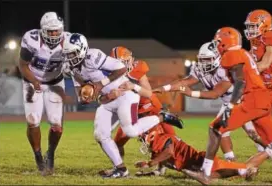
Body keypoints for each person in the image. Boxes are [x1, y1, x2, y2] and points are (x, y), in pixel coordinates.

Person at [62, 33, 183, 178]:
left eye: (73, 53)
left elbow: (121, 69)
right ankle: (120, 169)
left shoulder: (93, 56)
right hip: (108, 101)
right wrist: (87, 96)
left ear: (82, 49)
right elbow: (81, 96)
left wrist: (100, 85)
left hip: (125, 96)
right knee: (100, 134)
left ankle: (162, 117)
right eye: (68, 54)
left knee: (131, 131)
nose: (71, 58)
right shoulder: (73, 69)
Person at [184, 27, 272, 185]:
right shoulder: (242, 53)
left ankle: (205, 173)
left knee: (215, 128)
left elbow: (240, 82)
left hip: (252, 99)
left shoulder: (230, 55)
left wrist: (230, 106)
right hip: (262, 99)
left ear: (226, 42)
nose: (216, 44)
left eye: (218, 41)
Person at [134, 124, 272, 183]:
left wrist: (150, 163)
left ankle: (270, 150)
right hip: (196, 165)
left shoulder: (163, 139)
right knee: (217, 177)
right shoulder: (158, 148)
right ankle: (247, 170)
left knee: (242, 168)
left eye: (142, 137)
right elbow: (163, 161)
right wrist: (153, 171)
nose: (142, 140)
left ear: (151, 133)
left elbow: (168, 152)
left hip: (201, 162)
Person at [19, 12, 68, 175]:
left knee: (57, 125)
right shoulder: (31, 39)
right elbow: (23, 65)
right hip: (33, 81)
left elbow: (77, 64)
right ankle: (38, 157)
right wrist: (34, 81)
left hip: (55, 83)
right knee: (33, 121)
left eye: (56, 30)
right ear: (42, 30)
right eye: (50, 31)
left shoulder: (69, 40)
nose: (54, 34)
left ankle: (51, 154)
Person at [244, 9, 272, 109]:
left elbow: (265, 63)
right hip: (263, 81)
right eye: (249, 26)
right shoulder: (255, 38)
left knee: (255, 110)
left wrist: (244, 73)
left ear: (264, 24)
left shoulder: (271, 35)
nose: (250, 29)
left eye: (253, 26)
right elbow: (251, 55)